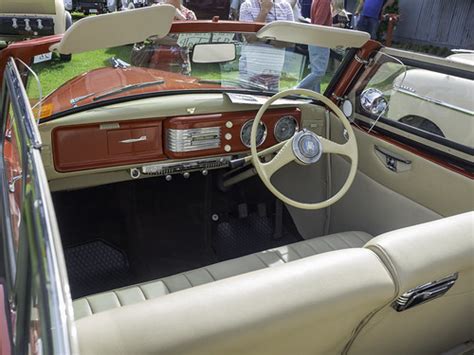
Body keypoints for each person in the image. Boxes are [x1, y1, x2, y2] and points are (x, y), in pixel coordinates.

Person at [239, 0, 295, 90]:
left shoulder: (285, 6)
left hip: (274, 68)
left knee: (270, 101)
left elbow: (290, 41)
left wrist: (263, 38)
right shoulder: (247, 5)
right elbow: (250, 37)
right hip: (250, 67)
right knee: (248, 100)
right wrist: (264, 10)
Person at [297, 0, 332, 93]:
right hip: (320, 39)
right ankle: (295, 91)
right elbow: (319, 24)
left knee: (315, 71)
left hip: (315, 39)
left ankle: (315, 97)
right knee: (319, 72)